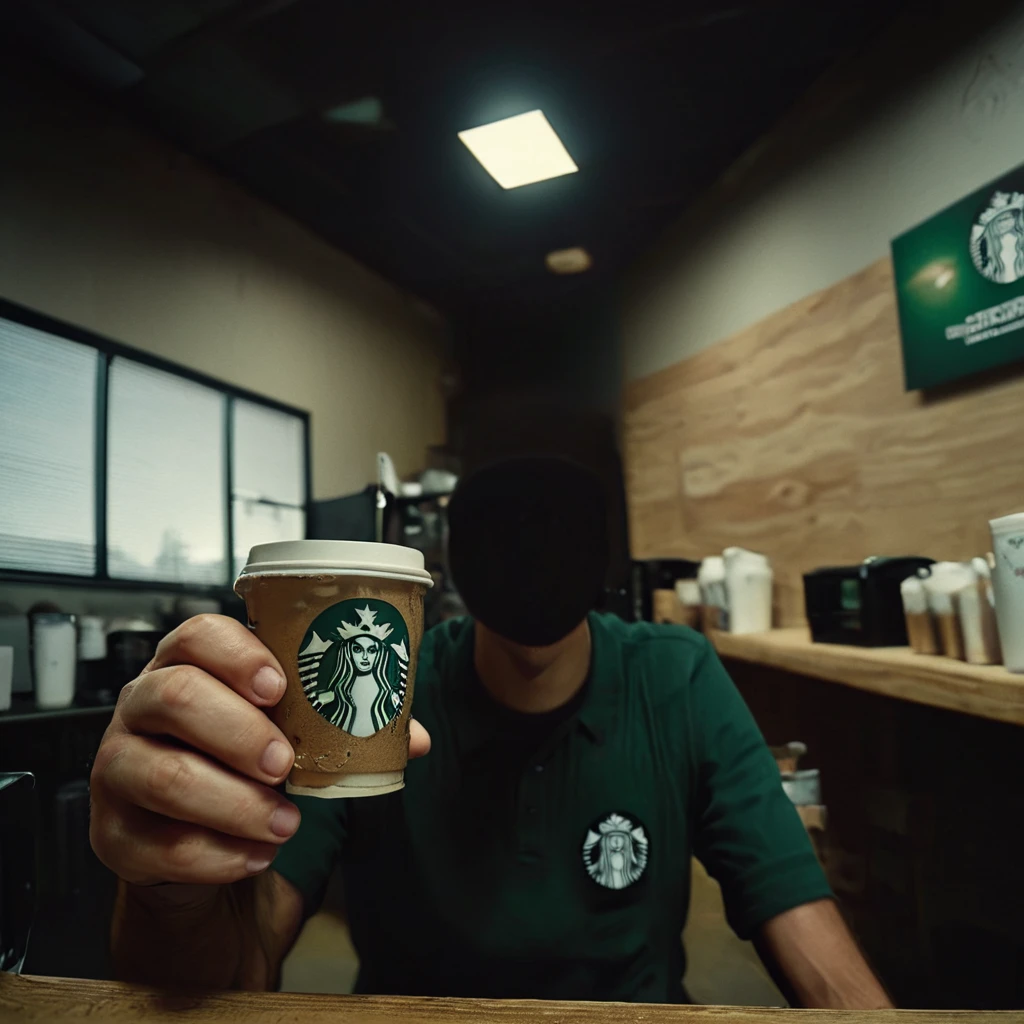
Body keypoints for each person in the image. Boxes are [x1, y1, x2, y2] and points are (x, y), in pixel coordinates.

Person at [90, 457, 892, 1006]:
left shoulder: (674, 675)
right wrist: (173, 890)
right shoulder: (375, 708)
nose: (534, 562)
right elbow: (235, 970)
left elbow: (803, 924)